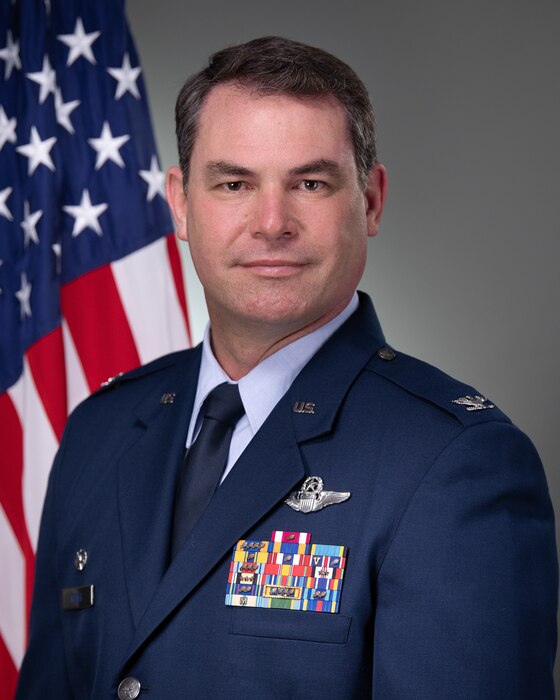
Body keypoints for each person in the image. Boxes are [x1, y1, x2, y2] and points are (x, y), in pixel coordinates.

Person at [17, 36, 557, 699]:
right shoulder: (99, 433)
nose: (271, 223)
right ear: (182, 204)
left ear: (371, 200)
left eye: (310, 182)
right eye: (235, 183)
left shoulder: (454, 461)